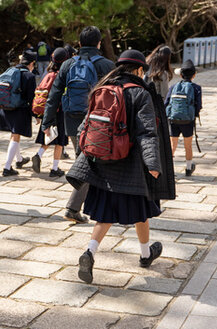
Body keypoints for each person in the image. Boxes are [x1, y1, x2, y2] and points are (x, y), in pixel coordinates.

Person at [68, 49, 165, 284]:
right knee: (141, 212)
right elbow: (147, 132)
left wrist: (84, 155)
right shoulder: (140, 94)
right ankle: (144, 254)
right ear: (140, 70)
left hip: (102, 164)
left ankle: (89, 252)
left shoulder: (102, 88)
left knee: (105, 215)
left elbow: (85, 127)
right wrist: (152, 163)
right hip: (131, 167)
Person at [42, 25, 115, 224]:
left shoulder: (67, 65)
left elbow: (54, 95)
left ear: (80, 44)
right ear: (99, 43)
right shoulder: (107, 65)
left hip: (72, 120)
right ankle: (76, 207)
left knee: (84, 158)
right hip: (98, 122)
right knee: (91, 162)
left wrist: (46, 122)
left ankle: (77, 207)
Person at [31, 47, 71, 177]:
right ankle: (54, 169)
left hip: (47, 110)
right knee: (60, 141)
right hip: (60, 111)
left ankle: (38, 154)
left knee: (49, 135)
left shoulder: (48, 74)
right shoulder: (62, 75)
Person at [0, 50, 38, 176]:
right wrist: (36, 115)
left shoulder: (10, 71)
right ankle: (7, 167)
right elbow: (31, 98)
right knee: (16, 136)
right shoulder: (29, 76)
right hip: (19, 110)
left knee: (14, 135)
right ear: (32, 63)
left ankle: (19, 159)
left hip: (5, 107)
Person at [166, 60, 202, 176]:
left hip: (173, 119)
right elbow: (198, 105)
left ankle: (169, 170)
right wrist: (194, 115)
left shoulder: (173, 87)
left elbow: (166, 103)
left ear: (180, 75)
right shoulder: (196, 88)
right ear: (194, 75)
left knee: (172, 145)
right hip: (188, 121)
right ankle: (188, 168)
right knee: (188, 145)